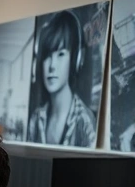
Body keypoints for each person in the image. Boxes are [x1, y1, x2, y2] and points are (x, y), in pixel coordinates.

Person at [27, 10, 97, 147]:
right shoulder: (36, 119)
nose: (52, 65)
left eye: (60, 54)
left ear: (75, 59)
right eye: (47, 56)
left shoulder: (86, 122)